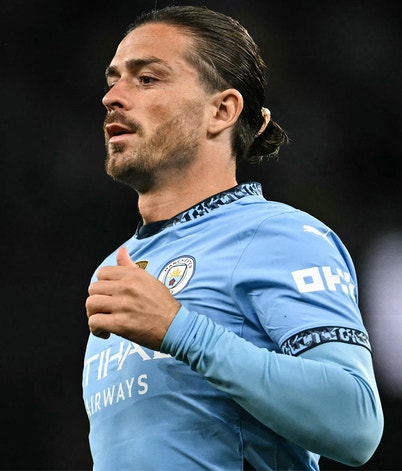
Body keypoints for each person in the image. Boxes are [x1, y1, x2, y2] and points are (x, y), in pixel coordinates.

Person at [82, 5, 384, 470]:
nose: (112, 97)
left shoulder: (278, 236)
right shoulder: (117, 267)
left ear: (221, 111)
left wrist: (180, 330)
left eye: (147, 79)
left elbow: (355, 423)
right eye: (114, 80)